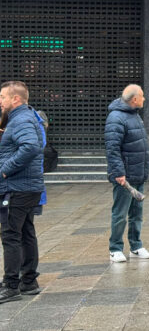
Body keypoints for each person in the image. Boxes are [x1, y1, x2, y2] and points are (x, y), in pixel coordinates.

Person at [0, 81, 45, 303]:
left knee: (10, 235)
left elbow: (30, 146)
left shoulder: (20, 119)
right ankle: (29, 282)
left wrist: (5, 171)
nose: (0, 102)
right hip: (27, 187)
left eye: (2, 97)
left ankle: (11, 285)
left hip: (17, 188)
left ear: (15, 99)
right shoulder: (25, 118)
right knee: (26, 233)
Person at [105, 84, 149, 263]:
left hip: (137, 173)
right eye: (142, 96)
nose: (144, 99)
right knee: (120, 213)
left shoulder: (134, 115)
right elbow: (112, 148)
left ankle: (136, 246)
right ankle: (115, 248)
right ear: (134, 99)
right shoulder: (116, 117)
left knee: (136, 213)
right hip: (124, 176)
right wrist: (118, 172)